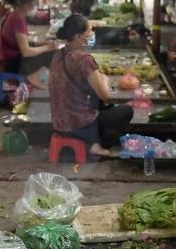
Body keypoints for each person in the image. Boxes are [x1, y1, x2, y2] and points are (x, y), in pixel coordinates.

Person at [49, 14, 134, 158]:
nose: (92, 33)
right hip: (79, 123)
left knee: (99, 103)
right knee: (126, 111)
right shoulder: (84, 60)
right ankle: (97, 146)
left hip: (59, 122)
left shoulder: (58, 54)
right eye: (89, 31)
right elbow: (105, 95)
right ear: (78, 37)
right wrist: (105, 80)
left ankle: (90, 141)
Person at [0, 0, 57, 82]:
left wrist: (43, 46)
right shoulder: (18, 18)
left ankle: (35, 80)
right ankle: (35, 80)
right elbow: (26, 52)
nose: (34, 7)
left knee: (45, 49)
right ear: (26, 4)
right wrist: (48, 47)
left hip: (8, 59)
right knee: (52, 54)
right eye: (34, 4)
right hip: (14, 64)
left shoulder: (12, 13)